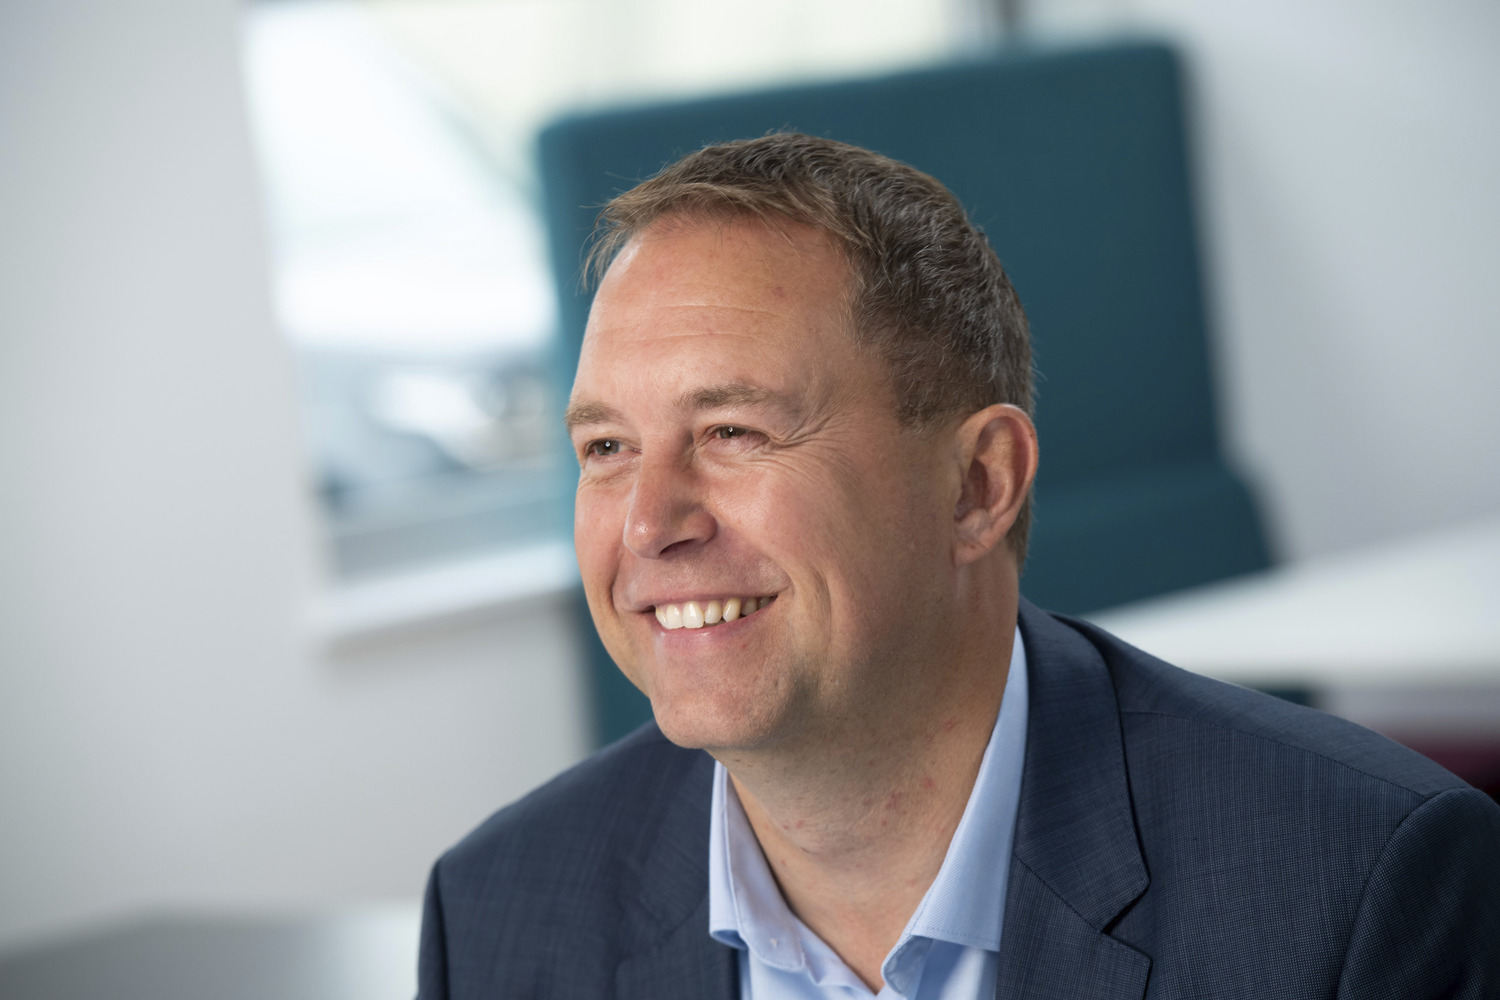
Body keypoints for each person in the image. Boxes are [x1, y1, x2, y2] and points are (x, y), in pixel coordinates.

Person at [416, 134, 1500, 999]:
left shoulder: (1355, 890)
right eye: (607, 447)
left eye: (734, 431)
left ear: (979, 484)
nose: (649, 524)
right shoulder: (500, 917)